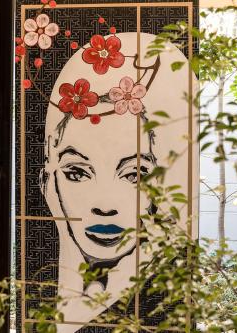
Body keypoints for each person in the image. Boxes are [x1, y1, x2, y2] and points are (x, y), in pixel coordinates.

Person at [39, 32, 194, 333]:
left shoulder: (167, 302)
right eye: (76, 172)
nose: (105, 206)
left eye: (134, 175)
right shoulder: (39, 288)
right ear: (50, 178)